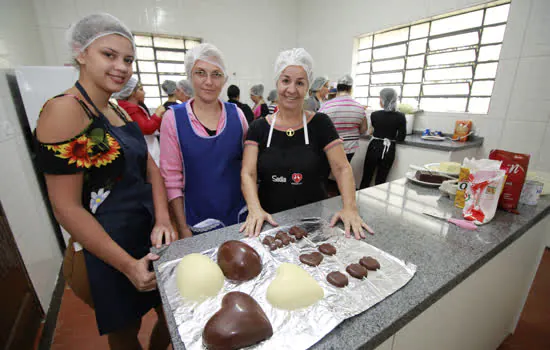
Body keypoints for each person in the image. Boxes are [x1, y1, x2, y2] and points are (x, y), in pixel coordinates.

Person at [34, 13, 173, 349]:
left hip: (146, 234)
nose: (121, 67)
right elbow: (66, 207)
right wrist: (126, 265)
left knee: (171, 316)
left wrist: (164, 218)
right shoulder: (65, 111)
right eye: (109, 55)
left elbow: (149, 168)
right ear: (81, 53)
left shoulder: (118, 110)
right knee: (125, 333)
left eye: (128, 59)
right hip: (106, 248)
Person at [240, 48, 374, 239]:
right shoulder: (258, 128)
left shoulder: (321, 124)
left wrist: (350, 208)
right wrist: (254, 209)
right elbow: (248, 172)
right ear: (277, 82)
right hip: (269, 220)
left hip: (312, 222)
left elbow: (342, 168)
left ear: (308, 87)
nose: (292, 89)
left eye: (300, 83)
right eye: (286, 80)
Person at [160, 43, 249, 237]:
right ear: (190, 76)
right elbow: (172, 179)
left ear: (224, 79)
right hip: (197, 222)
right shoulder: (174, 119)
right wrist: (183, 228)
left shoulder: (237, 115)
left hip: (240, 218)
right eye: (200, 73)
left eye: (216, 74)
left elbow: (248, 169)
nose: (209, 81)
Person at [360, 88, 406, 188]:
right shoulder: (401, 116)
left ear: (383, 100)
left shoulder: (375, 115)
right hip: (389, 149)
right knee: (381, 179)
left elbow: (371, 131)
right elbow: (401, 137)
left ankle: (358, 199)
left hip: (374, 147)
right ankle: (377, 201)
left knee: (367, 176)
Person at [114, 77, 164, 165]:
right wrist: (157, 114)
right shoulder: (130, 108)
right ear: (132, 92)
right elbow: (147, 128)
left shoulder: (131, 106)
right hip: (146, 146)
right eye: (141, 90)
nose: (144, 93)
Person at [318, 74, 367, 162]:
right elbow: (363, 129)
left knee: (327, 173)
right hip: (350, 148)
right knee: (343, 172)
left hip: (330, 147)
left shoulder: (326, 106)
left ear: (337, 88)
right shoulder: (360, 108)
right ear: (351, 89)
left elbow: (318, 128)